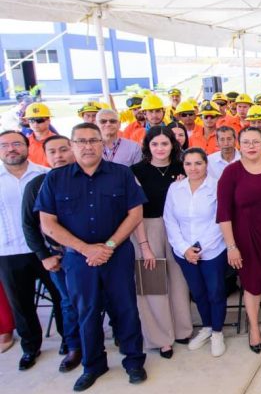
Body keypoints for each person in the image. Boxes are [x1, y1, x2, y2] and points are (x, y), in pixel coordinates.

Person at [36, 122, 148, 391]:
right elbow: (47, 223)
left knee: (126, 309)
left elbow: (135, 214)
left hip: (117, 255)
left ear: (102, 143)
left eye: (93, 140)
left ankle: (133, 361)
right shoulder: (55, 179)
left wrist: (108, 246)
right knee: (86, 312)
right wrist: (87, 249)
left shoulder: (121, 174)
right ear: (73, 146)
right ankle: (93, 365)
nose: (87, 146)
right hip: (78, 259)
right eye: (81, 141)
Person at [217, 127, 261, 353]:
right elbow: (224, 213)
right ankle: (255, 328)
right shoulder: (231, 172)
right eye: (246, 142)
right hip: (245, 239)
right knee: (252, 285)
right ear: (239, 144)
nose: (251, 146)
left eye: (255, 141)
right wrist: (231, 247)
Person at [0, 130, 61, 371]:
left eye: (16, 144)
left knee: (61, 297)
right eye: (5, 145)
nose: (11, 149)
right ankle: (30, 347)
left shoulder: (45, 175)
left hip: (46, 250)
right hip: (9, 250)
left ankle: (69, 341)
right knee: (21, 304)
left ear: (28, 147)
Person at [130, 126, 192, 358]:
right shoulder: (136, 171)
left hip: (177, 228)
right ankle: (161, 338)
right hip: (147, 227)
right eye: (155, 144)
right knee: (152, 283)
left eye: (164, 144)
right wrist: (144, 244)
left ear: (172, 145)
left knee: (179, 281)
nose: (160, 149)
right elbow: (133, 209)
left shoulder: (182, 167)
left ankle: (181, 329)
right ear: (148, 146)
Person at [21, 135, 81, 372]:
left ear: (74, 151)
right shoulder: (37, 185)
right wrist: (44, 255)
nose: (59, 156)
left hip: (96, 254)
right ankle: (75, 345)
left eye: (64, 150)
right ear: (45, 156)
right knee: (68, 303)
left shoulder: (89, 179)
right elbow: (29, 224)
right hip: (60, 258)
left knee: (106, 298)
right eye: (53, 152)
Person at [162, 148, 227, 357]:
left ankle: (217, 332)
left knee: (215, 292)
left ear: (206, 164)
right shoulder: (175, 188)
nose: (193, 168)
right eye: (188, 164)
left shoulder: (217, 186)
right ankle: (207, 327)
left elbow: (219, 220)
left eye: (198, 163)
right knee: (198, 292)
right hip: (184, 253)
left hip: (212, 250)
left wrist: (198, 248)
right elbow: (170, 220)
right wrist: (184, 248)